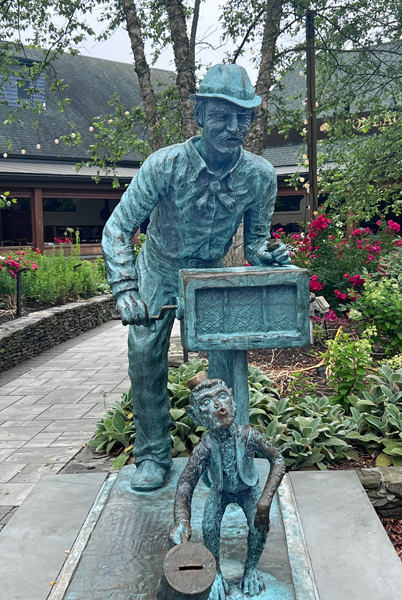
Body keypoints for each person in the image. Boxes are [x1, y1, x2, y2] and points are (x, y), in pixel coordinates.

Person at [102, 63, 290, 492]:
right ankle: (152, 456)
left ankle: (230, 457)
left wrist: (269, 255)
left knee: (227, 358)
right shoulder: (164, 165)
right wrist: (126, 288)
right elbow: (117, 229)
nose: (234, 126)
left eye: (243, 116)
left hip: (211, 273)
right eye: (223, 114)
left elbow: (258, 240)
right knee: (146, 353)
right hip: (159, 266)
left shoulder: (259, 175)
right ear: (201, 114)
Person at [169, 376, 285, 599]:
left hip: (248, 489)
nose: (219, 406)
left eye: (222, 397)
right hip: (220, 491)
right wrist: (181, 520)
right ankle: (216, 574)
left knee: (259, 525)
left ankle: (250, 570)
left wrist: (265, 498)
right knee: (209, 526)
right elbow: (185, 485)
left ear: (234, 402)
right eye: (207, 402)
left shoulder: (249, 436)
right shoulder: (205, 448)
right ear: (195, 416)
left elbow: (278, 459)